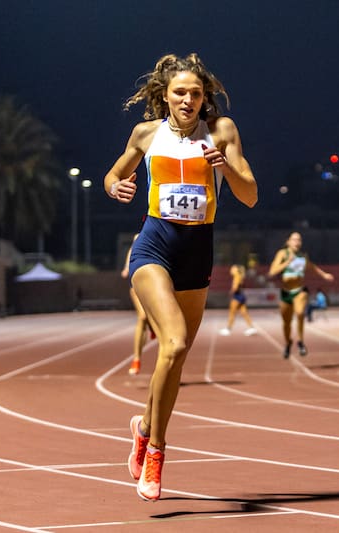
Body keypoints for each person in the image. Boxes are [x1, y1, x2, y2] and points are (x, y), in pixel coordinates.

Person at [104, 53, 257, 501]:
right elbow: (115, 173)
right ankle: (157, 451)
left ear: (204, 96)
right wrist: (116, 186)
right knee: (172, 343)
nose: (188, 100)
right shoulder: (146, 134)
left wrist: (223, 166)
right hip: (154, 246)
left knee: (175, 359)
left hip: (197, 252)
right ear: (165, 97)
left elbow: (249, 195)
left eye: (195, 93)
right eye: (179, 93)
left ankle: (143, 427)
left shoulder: (222, 132)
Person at [268, 231, 334, 358]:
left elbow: (312, 267)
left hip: (299, 290)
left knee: (299, 313)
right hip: (286, 292)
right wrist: (287, 262)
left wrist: (324, 274)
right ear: (288, 242)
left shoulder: (303, 256)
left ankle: (300, 341)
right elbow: (272, 271)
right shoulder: (282, 254)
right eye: (294, 239)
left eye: (299, 240)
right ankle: (288, 342)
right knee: (286, 322)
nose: (297, 242)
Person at [121, 233, 155, 375]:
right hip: (137, 284)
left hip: (155, 285)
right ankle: (136, 359)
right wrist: (127, 267)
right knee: (142, 317)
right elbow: (130, 256)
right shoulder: (138, 237)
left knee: (158, 322)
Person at [219, 264, 258, 336]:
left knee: (232, 313)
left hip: (237, 296)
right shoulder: (240, 276)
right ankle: (252, 328)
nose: (231, 270)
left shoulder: (236, 276)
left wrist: (231, 293)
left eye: (233, 268)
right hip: (241, 296)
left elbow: (235, 287)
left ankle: (228, 329)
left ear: (236, 270)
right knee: (244, 313)